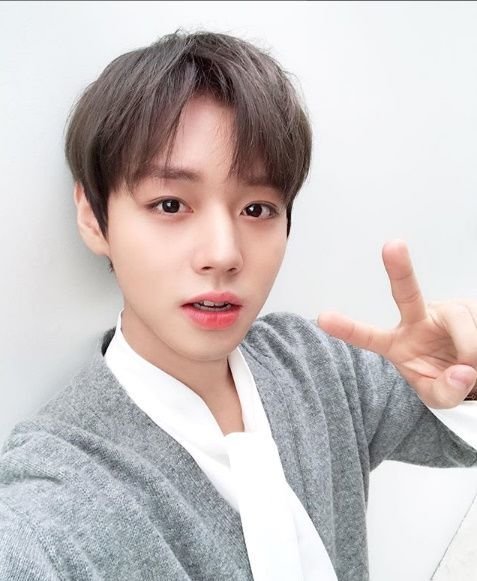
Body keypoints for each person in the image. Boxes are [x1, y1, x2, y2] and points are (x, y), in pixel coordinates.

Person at [0, 30, 476, 581]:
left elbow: (454, 432)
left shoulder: (315, 362)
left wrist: (466, 370)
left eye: (257, 209)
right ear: (92, 215)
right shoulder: (55, 504)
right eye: (170, 204)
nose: (224, 255)